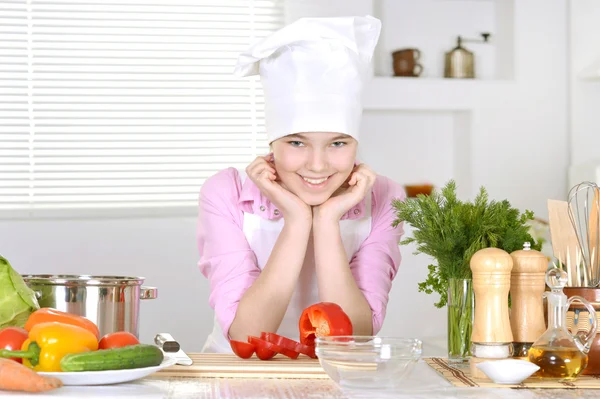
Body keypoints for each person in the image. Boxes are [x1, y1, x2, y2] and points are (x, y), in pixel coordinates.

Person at [197, 15, 406, 353]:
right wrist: (296, 220)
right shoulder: (226, 193)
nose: (318, 165)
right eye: (296, 143)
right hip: (236, 375)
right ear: (272, 143)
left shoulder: (383, 196)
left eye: (338, 143)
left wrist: (325, 221)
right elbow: (245, 337)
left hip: (338, 375)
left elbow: (355, 338)